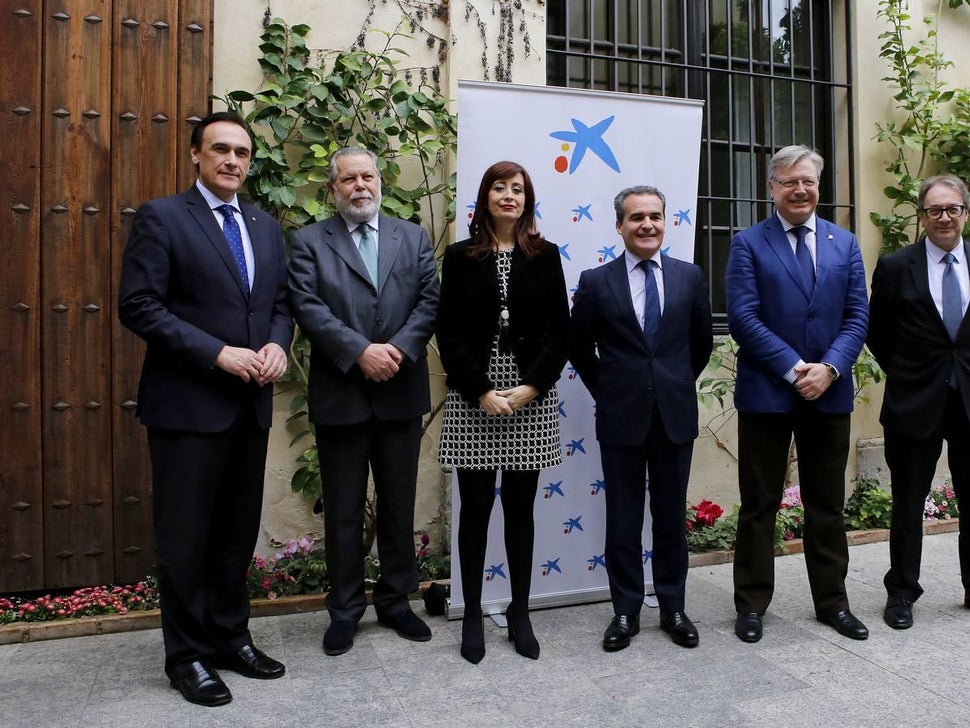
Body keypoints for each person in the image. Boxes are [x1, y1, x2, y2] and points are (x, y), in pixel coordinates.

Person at [118, 111, 294, 707]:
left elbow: (280, 303)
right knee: (185, 537)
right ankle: (186, 656)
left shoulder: (266, 228)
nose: (232, 161)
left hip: (249, 407)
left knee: (234, 535)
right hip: (188, 407)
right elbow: (139, 305)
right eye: (220, 150)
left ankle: (230, 638)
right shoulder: (162, 218)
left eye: (242, 153)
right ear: (196, 155)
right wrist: (217, 353)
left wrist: (277, 343)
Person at [287, 146, 440, 656]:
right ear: (333, 189)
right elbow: (306, 305)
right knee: (345, 513)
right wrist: (359, 352)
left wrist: (395, 349)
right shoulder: (310, 241)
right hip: (342, 397)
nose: (360, 186)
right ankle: (345, 610)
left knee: (398, 507)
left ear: (380, 182)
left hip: (399, 393)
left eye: (367, 177)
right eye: (348, 179)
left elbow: (429, 300)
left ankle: (397, 603)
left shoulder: (412, 236)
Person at [868, 173, 970, 630]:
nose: (944, 217)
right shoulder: (897, 266)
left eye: (952, 209)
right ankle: (901, 592)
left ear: (965, 213)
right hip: (914, 400)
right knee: (907, 503)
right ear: (921, 217)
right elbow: (878, 333)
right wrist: (911, 374)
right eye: (934, 210)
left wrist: (968, 371)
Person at [725, 144, 870, 643]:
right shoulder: (747, 243)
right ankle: (751, 605)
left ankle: (833, 603)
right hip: (767, 392)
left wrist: (829, 368)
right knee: (759, 503)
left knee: (827, 504)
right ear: (772, 188)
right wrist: (793, 368)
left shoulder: (844, 243)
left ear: (818, 186)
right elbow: (743, 317)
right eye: (788, 182)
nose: (799, 190)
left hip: (828, 393)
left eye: (807, 181)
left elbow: (857, 316)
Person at [436, 161, 571, 664]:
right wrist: (481, 390)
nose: (508, 196)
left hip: (530, 396)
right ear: (485, 197)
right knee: (474, 511)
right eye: (499, 187)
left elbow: (562, 334)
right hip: (476, 397)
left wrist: (532, 386)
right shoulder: (460, 256)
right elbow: (447, 334)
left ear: (527, 200)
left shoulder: (547, 256)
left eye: (517, 189)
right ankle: (472, 611)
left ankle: (519, 611)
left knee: (520, 509)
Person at [570, 185, 713, 652]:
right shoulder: (595, 282)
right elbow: (579, 347)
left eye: (654, 216)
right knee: (624, 520)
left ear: (665, 222)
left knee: (670, 517)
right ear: (619, 226)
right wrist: (609, 389)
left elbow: (700, 344)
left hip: (674, 415)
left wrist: (670, 383)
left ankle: (673, 607)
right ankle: (626, 611)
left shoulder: (689, 276)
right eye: (636, 218)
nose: (646, 224)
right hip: (621, 416)